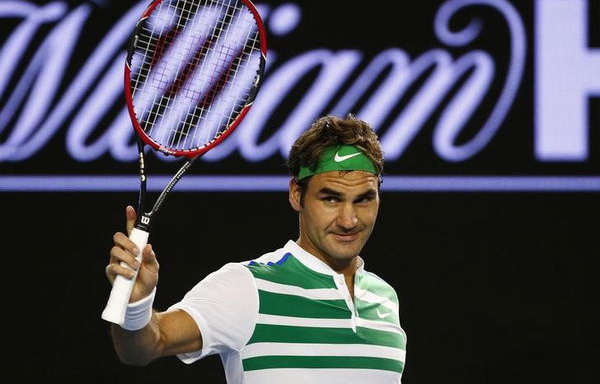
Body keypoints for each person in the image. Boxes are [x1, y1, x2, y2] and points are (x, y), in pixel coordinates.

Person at [105, 114, 407, 383]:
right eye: (331, 199)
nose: (349, 219)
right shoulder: (248, 287)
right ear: (296, 194)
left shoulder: (385, 298)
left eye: (364, 199)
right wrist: (136, 306)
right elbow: (146, 346)